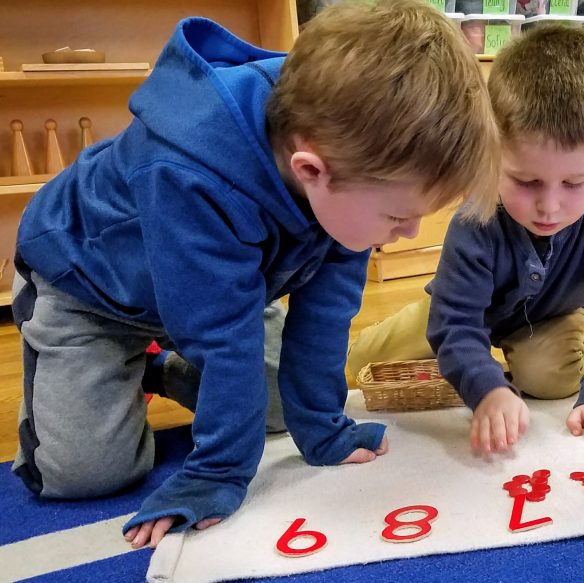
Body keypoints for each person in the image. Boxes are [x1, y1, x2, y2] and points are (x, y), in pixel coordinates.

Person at [11, 0, 498, 549]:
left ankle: (155, 370)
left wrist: (323, 428)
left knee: (279, 412)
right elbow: (225, 341)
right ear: (311, 171)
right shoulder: (192, 169)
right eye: (397, 217)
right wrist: (216, 474)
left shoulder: (353, 159)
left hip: (224, 290)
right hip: (88, 289)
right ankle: (91, 368)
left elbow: (325, 315)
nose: (409, 234)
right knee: (86, 475)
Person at [348, 25, 584, 454]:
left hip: (551, 317)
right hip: (459, 306)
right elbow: (455, 324)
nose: (550, 207)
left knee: (551, 379)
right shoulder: (477, 211)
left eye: (574, 183)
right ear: (492, 149)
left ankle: (528, 356)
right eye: (527, 182)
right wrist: (487, 388)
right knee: (357, 366)